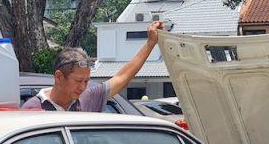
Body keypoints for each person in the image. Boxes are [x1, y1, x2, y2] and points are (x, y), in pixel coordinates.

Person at [23, 20, 164, 111]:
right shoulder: (33, 109)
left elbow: (122, 77)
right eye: (78, 81)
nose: (83, 87)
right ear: (59, 77)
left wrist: (150, 44)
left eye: (86, 81)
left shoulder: (87, 98)